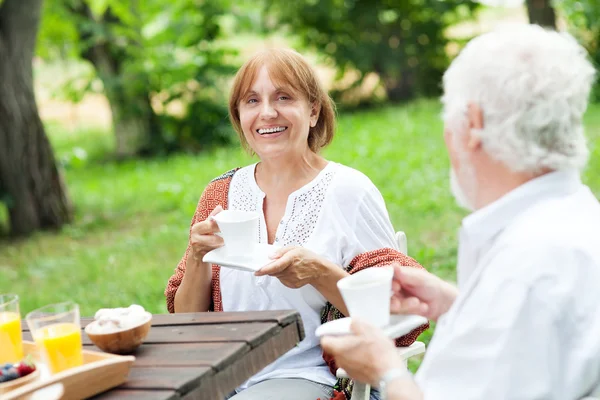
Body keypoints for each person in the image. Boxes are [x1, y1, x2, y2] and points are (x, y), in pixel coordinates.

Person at [321, 24, 600, 400]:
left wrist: (384, 371)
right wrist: (456, 304)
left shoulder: (524, 269)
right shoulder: (575, 217)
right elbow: (541, 346)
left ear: (472, 124)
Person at [164, 48, 428, 400]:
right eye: (252, 100)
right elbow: (189, 323)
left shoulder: (348, 191)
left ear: (314, 110)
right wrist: (197, 256)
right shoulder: (220, 194)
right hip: (223, 376)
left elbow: (390, 317)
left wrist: (319, 272)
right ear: (239, 115)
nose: (267, 112)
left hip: (315, 377)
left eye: (284, 97)